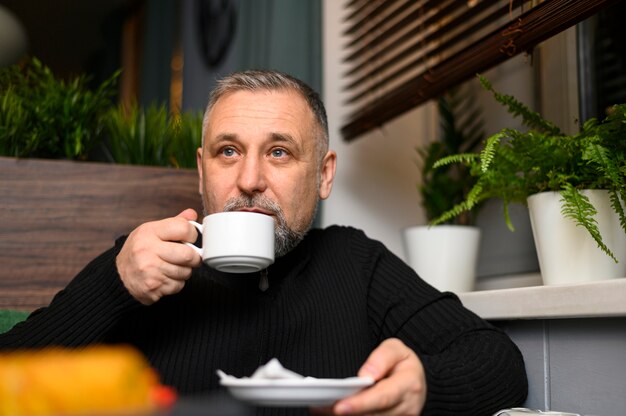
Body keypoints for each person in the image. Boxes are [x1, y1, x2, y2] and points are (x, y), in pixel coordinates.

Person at [0, 70, 527, 415]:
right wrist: (115, 284)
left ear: (323, 175)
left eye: (279, 153)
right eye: (229, 152)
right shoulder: (142, 263)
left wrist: (423, 387)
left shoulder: (355, 261)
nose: (250, 178)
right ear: (202, 172)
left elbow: (498, 362)